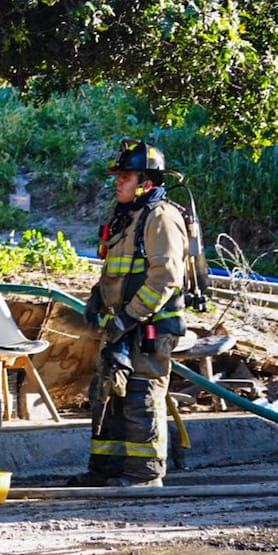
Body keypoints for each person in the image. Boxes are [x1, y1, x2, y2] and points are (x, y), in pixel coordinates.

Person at [77, 139, 188, 487]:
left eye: (126, 176)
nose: (118, 182)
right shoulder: (128, 218)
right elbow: (118, 271)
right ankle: (105, 471)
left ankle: (144, 474)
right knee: (109, 395)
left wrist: (130, 317)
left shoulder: (161, 217)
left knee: (140, 395)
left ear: (146, 182)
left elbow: (165, 277)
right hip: (120, 327)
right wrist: (98, 299)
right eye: (118, 176)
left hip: (149, 327)